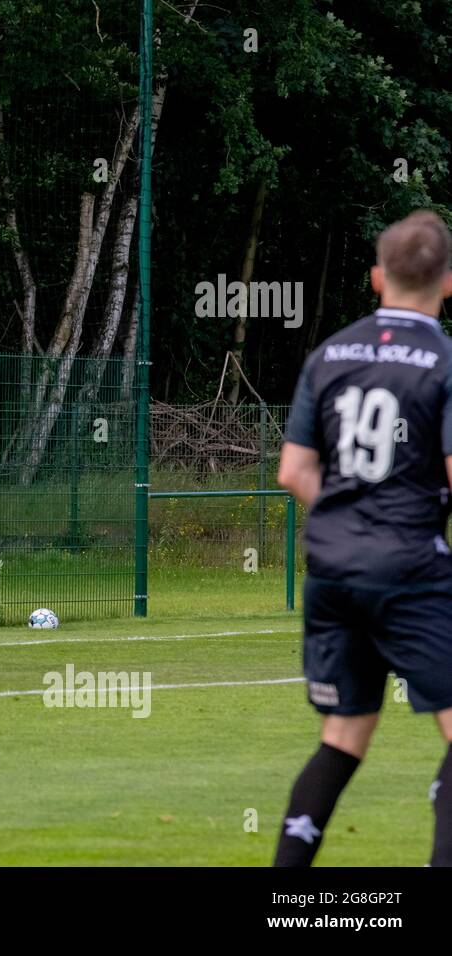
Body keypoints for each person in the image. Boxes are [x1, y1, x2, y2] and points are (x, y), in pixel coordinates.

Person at [275, 210, 452, 865]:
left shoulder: (329, 354)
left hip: (332, 569)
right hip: (409, 567)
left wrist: (353, 517)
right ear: (447, 282)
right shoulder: (442, 360)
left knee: (342, 738)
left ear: (378, 277)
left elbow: (294, 471)